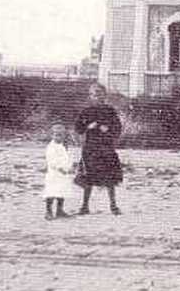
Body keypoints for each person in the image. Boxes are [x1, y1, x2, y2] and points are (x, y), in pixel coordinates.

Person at [74, 82, 123, 216]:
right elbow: (78, 128)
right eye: (94, 94)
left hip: (106, 148)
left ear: (105, 95)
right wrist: (88, 127)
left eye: (100, 93)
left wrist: (108, 130)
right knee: (88, 178)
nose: (97, 96)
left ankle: (113, 206)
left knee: (110, 179)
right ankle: (84, 206)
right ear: (90, 96)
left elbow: (118, 128)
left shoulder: (110, 110)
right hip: (90, 148)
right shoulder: (86, 111)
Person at [44, 122, 73, 220]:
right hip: (54, 173)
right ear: (52, 135)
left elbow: (66, 158)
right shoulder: (51, 147)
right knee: (52, 192)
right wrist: (60, 168)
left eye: (61, 135)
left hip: (64, 173)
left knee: (62, 192)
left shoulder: (62, 146)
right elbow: (51, 161)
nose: (58, 137)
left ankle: (59, 210)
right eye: (56, 135)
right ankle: (48, 211)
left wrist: (69, 167)